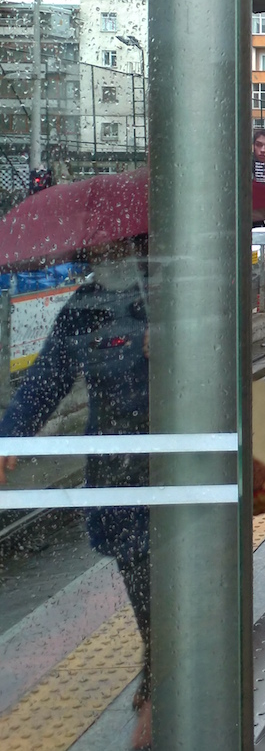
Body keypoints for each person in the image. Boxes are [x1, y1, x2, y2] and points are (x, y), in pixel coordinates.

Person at [0, 238, 153, 748]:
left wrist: (174, 343)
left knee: (165, 562)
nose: (105, 257)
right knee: (135, 566)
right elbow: (46, 379)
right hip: (114, 459)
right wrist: (12, 435)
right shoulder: (82, 310)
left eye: (115, 247)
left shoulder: (165, 296)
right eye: (99, 251)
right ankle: (157, 654)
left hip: (173, 456)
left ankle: (162, 674)